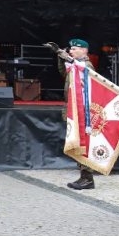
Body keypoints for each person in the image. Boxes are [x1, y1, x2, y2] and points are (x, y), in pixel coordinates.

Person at [51, 39, 96, 190]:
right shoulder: (75, 64)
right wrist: (60, 57)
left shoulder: (85, 65)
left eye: (75, 49)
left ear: (84, 51)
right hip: (73, 108)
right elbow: (64, 72)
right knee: (77, 142)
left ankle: (87, 177)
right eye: (70, 49)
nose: (71, 51)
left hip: (82, 111)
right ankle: (84, 176)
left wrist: (64, 56)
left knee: (83, 142)